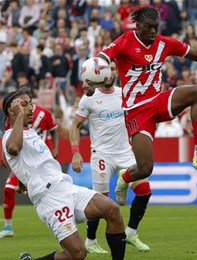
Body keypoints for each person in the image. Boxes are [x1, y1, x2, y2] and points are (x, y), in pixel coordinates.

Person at [97, 7, 197, 206]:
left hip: (158, 101)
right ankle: (124, 179)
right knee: (145, 168)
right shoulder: (125, 41)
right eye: (149, 27)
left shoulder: (164, 43)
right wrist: (92, 80)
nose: (153, 31)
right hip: (136, 111)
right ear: (138, 25)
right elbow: (102, 58)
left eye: (156, 28)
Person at [2, 90, 126, 260]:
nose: (31, 108)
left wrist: (23, 183)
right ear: (11, 111)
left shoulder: (30, 133)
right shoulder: (10, 135)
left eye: (30, 103)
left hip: (65, 187)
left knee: (111, 209)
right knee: (77, 254)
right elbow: (14, 149)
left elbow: (29, 162)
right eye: (23, 105)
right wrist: (17, 117)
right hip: (49, 198)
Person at [70, 62, 151, 253]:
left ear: (115, 72)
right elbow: (75, 125)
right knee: (100, 202)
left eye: (114, 69)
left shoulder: (125, 94)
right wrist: (75, 152)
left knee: (145, 191)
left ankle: (131, 232)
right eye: (108, 69)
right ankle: (90, 241)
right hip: (102, 155)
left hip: (125, 153)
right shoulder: (89, 98)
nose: (110, 72)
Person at [0, 86, 59, 239]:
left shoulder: (43, 113)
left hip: (40, 160)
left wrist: (55, 148)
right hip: (23, 160)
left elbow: (54, 129)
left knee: (50, 193)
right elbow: (11, 139)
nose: (26, 104)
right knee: (9, 189)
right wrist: (4, 152)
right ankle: (7, 226)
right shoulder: (15, 115)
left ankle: (61, 220)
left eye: (27, 99)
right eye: (21, 101)